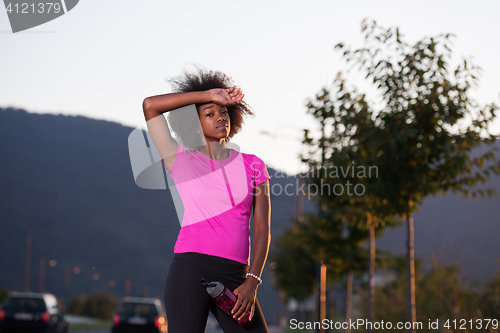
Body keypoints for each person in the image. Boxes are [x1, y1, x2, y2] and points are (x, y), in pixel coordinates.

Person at [142, 67, 271, 333]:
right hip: (189, 269)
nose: (220, 117)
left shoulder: (253, 166)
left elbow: (262, 230)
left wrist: (252, 281)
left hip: (236, 275)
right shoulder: (180, 160)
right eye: (209, 113)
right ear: (195, 123)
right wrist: (208, 94)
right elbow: (150, 106)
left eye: (223, 111)